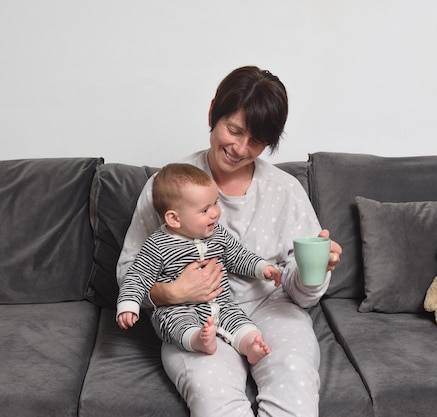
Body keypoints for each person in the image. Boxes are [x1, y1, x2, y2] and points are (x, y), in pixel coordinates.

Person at [117, 66, 342, 417]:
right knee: (213, 397)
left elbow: (300, 294)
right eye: (233, 130)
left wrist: (315, 271)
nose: (240, 148)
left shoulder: (286, 191)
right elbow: (130, 273)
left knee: (296, 380)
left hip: (272, 309)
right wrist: (171, 293)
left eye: (256, 141)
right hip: (191, 317)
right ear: (212, 114)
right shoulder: (167, 188)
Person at [116, 163, 282, 365]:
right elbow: (138, 276)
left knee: (239, 320)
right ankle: (198, 340)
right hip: (177, 309)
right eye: (205, 209)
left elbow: (238, 256)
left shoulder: (217, 234)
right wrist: (129, 305)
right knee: (175, 324)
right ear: (174, 219)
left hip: (220, 304)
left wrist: (263, 268)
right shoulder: (157, 245)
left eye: (215, 202)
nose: (215, 212)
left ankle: (250, 345)